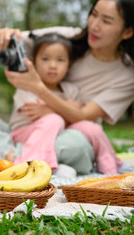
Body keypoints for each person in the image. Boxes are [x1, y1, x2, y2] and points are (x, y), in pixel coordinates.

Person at [0, 0, 134, 175]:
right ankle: (22, 158)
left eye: (106, 21)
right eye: (93, 15)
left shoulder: (127, 75)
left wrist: (40, 91)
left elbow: (83, 116)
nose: (94, 25)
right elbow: (14, 40)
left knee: (75, 144)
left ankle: (1, 159)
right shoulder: (67, 37)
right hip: (22, 131)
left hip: (65, 135)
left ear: (127, 32)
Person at [9, 33, 122, 175]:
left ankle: (111, 168)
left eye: (60, 60)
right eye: (45, 59)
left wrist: (49, 110)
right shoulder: (27, 87)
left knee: (91, 127)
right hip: (24, 133)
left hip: (60, 134)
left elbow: (77, 115)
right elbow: (36, 116)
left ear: (69, 65)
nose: (52, 65)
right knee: (53, 120)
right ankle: (30, 165)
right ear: (33, 62)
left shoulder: (71, 90)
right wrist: (64, 109)